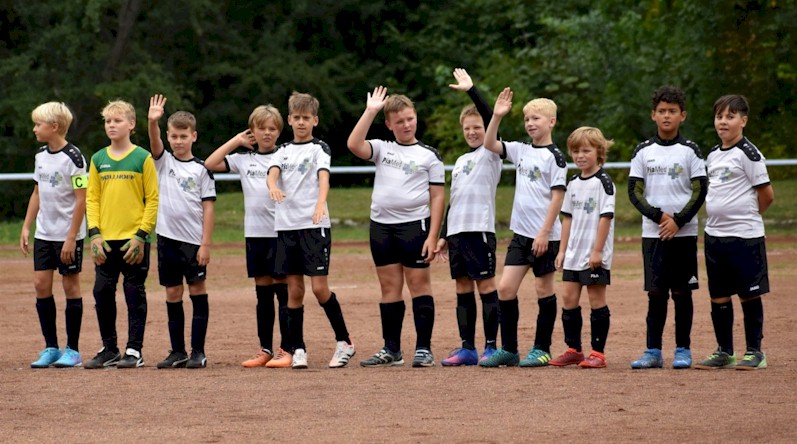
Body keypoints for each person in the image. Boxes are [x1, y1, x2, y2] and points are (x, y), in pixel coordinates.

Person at [348, 86, 445, 368]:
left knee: (418, 285)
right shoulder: (382, 148)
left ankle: (424, 349)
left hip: (414, 227)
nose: (406, 125)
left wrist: (433, 235)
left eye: (410, 119)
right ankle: (391, 350)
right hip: (382, 228)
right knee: (389, 287)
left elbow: (437, 196)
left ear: (416, 118)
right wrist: (370, 111)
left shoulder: (429, 155)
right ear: (389, 124)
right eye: (399, 121)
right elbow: (354, 144)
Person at [478, 87, 567, 368]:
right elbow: (490, 143)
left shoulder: (555, 157)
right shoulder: (521, 150)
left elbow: (558, 196)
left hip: (545, 237)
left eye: (536, 118)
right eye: (527, 118)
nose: (530, 123)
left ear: (551, 122)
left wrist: (544, 232)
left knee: (544, 289)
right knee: (505, 289)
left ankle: (542, 349)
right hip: (521, 236)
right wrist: (497, 116)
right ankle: (511, 350)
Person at [266, 92, 355, 369]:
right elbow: (273, 173)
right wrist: (272, 186)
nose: (301, 123)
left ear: (314, 120)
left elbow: (323, 178)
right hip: (287, 227)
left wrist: (320, 203)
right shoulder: (282, 150)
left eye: (306, 118)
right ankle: (299, 348)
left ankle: (344, 342)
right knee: (294, 291)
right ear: (289, 120)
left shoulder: (320, 149)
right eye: (296, 118)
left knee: (319, 288)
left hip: (313, 227)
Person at [628, 86, 707, 370]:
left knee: (682, 294)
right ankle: (653, 350)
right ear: (653, 115)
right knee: (656, 294)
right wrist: (660, 217)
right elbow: (634, 191)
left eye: (672, 111)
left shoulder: (691, 151)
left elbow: (700, 190)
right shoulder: (642, 151)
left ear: (682, 116)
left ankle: (683, 349)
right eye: (662, 111)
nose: (666, 116)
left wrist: (679, 221)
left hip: (683, 234)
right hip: (654, 234)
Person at [205, 105, 290, 368]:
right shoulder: (243, 159)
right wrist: (237, 141)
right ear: (252, 130)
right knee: (263, 294)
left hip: (282, 233)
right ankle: (265, 348)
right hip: (255, 234)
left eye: (272, 128)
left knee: (284, 292)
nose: (266, 133)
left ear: (279, 131)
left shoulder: (286, 156)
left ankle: (288, 349)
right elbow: (210, 163)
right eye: (261, 128)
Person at [695, 95, 774, 371]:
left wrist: (748, 218)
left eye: (730, 116)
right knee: (718, 295)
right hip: (715, 235)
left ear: (743, 120)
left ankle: (755, 351)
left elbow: (767, 195)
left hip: (744, 236)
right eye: (719, 117)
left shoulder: (749, 154)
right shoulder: (714, 155)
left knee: (749, 294)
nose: (723, 122)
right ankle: (724, 351)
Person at [83, 100, 159, 369]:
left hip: (134, 240)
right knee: (102, 291)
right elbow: (91, 200)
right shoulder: (98, 159)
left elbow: (152, 199)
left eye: (117, 120)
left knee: (133, 292)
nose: (111, 125)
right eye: (108, 121)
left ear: (131, 124)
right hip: (104, 240)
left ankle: (134, 350)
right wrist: (94, 234)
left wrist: (141, 235)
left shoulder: (143, 158)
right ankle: (110, 348)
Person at [435, 69, 501, 366]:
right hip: (458, 233)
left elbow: (490, 117)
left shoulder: (490, 151)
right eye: (467, 129)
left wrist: (472, 90)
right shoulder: (461, 161)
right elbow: (454, 200)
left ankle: (490, 347)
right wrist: (444, 235)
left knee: (485, 286)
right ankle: (467, 348)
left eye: (477, 127)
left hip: (480, 230)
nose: (473, 132)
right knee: (462, 288)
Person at [147, 95, 216, 369]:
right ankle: (177, 351)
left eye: (183, 136)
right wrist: (153, 121)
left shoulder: (202, 169)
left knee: (197, 290)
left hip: (193, 242)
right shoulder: (163, 162)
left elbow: (208, 209)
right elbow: (154, 144)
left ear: (194, 136)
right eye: (173, 136)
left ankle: (198, 351)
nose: (178, 141)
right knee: (173, 294)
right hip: (167, 241)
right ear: (168, 136)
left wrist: (206, 244)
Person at [21, 102, 87, 368]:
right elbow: (37, 192)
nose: (35, 129)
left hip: (68, 234)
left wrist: (71, 237)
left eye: (38, 124)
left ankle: (72, 350)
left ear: (54, 127)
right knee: (40, 285)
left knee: (70, 285)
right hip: (45, 234)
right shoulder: (40, 155)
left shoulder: (75, 157)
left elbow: (82, 200)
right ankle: (51, 347)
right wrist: (27, 226)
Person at [550, 127, 615, 369]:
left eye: (586, 150)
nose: (580, 155)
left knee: (596, 299)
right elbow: (566, 218)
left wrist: (597, 251)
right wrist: (562, 250)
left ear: (599, 152)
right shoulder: (573, 182)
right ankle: (574, 349)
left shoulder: (604, 182)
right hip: (574, 253)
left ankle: (598, 353)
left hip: (593, 253)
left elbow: (605, 218)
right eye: (575, 151)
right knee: (568, 298)